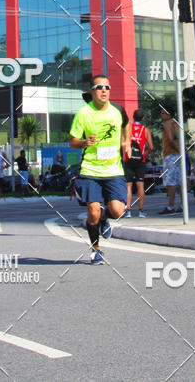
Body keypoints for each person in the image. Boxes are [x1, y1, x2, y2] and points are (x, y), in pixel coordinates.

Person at [69, 74, 131, 264]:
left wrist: (126, 141)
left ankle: (105, 217)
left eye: (107, 87)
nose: (103, 90)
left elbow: (126, 123)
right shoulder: (83, 113)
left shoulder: (118, 110)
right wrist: (83, 142)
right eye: (99, 87)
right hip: (90, 170)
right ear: (92, 91)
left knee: (118, 210)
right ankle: (96, 249)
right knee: (93, 211)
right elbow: (72, 141)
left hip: (114, 170)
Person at [123, 107, 153, 217]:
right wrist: (145, 154)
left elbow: (123, 143)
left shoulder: (128, 128)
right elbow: (151, 147)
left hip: (128, 159)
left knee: (128, 186)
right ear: (143, 118)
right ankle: (140, 211)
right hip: (140, 160)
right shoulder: (145, 130)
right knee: (140, 185)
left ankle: (128, 211)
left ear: (133, 117)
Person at [160, 107, 183, 214]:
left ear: (169, 114)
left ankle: (170, 206)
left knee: (171, 182)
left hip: (170, 154)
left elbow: (170, 139)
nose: (161, 115)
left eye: (163, 113)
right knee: (180, 181)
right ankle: (182, 205)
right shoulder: (176, 124)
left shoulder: (167, 124)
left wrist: (177, 149)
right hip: (178, 155)